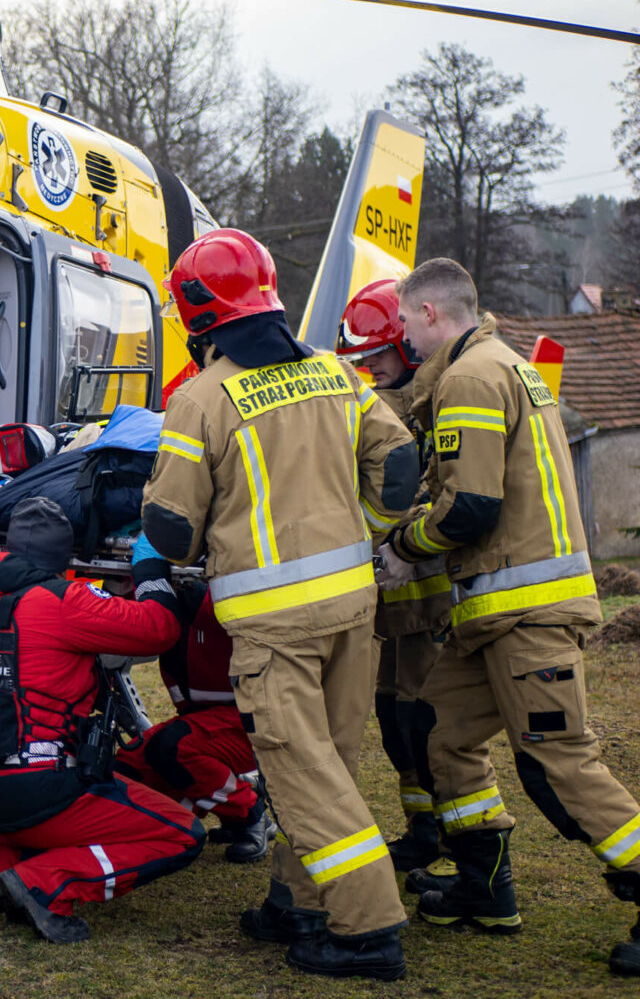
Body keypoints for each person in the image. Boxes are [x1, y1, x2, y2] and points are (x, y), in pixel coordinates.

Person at [141, 228, 419, 981]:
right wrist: (368, 527)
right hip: (352, 608)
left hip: (273, 626)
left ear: (196, 314)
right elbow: (399, 463)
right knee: (330, 764)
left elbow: (170, 528)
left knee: (301, 773)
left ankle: (368, 928)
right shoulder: (336, 374)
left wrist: (180, 544)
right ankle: (298, 902)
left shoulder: (201, 398)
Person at [377, 258, 640, 975]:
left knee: (561, 763)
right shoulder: (503, 365)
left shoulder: (469, 377)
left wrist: (402, 546)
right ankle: (484, 886)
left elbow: (469, 507)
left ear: (430, 313)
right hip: (494, 616)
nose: (403, 338)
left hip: (528, 616)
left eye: (404, 322)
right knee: (438, 733)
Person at [0, 496, 205, 944]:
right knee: (182, 834)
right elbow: (160, 628)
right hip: (42, 792)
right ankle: (45, 883)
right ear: (65, 560)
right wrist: (149, 569)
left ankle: (11, 868)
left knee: (47, 801)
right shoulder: (64, 601)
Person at [336, 280, 454, 876]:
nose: (368, 368)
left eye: (376, 354)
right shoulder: (371, 406)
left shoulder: (438, 404)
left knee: (425, 722)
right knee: (392, 721)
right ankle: (421, 830)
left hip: (432, 596)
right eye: (359, 358)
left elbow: (445, 496)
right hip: (387, 601)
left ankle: (458, 840)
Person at [117, 536, 273, 863]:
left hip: (246, 719)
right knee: (126, 769)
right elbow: (127, 612)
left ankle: (250, 811)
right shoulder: (173, 594)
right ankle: (233, 801)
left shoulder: (227, 595)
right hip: (200, 722)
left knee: (172, 751)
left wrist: (152, 574)